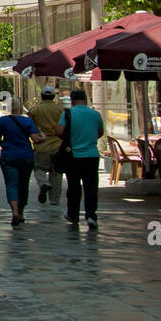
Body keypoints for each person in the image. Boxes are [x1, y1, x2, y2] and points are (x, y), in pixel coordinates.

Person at [0, 97, 44, 226]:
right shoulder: (28, 121)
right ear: (21, 107)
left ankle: (14, 212)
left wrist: (5, 144)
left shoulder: (3, 121)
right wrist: (42, 138)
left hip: (8, 156)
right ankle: (21, 212)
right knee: (23, 184)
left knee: (11, 184)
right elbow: (35, 139)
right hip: (26, 156)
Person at [59, 89, 105, 230]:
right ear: (86, 99)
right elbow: (100, 132)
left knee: (74, 186)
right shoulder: (95, 114)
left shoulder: (68, 114)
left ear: (72, 100)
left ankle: (73, 214)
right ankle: (91, 215)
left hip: (73, 155)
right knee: (91, 187)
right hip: (91, 155)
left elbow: (59, 132)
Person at [28, 86, 65, 206]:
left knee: (38, 168)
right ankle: (54, 199)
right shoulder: (61, 110)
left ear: (42, 96)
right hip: (58, 144)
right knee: (57, 173)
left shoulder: (35, 110)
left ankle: (43, 182)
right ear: (54, 96)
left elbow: (30, 126)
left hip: (41, 144)